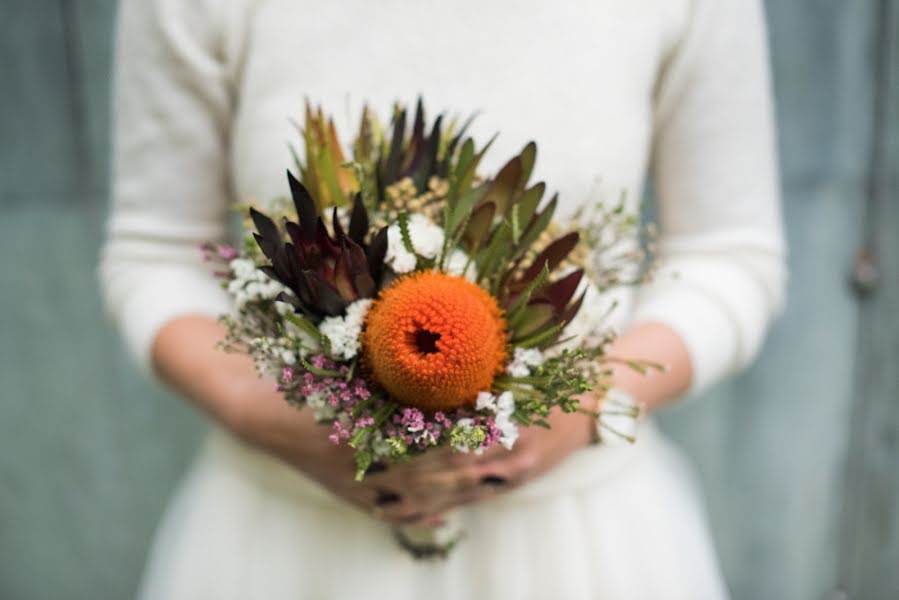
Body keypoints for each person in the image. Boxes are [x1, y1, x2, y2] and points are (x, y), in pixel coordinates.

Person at [100, 0, 785, 598]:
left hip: (575, 536)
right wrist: (261, 411)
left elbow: (729, 254)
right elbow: (155, 253)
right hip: (287, 527)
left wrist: (584, 406)